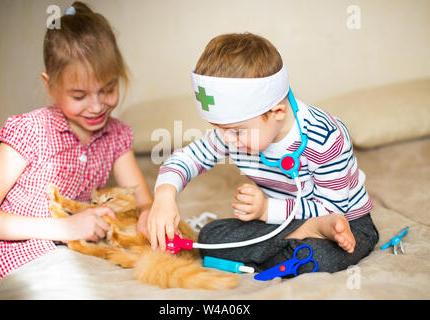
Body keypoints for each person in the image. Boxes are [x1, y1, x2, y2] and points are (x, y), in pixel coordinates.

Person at [146, 33, 378, 273]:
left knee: (320, 257)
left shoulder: (325, 136)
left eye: (236, 131)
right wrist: (165, 195)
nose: (226, 139)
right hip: (278, 223)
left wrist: (267, 210)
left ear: (277, 111)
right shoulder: (234, 132)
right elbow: (188, 158)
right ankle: (300, 238)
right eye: (219, 129)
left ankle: (299, 242)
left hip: (345, 223)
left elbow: (332, 209)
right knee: (209, 238)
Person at [0, 2, 152, 292]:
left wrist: (151, 216)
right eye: (79, 95)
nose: (97, 106)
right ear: (50, 86)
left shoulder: (117, 136)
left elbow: (143, 203)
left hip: (64, 254)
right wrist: (63, 228)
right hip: (5, 258)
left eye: (108, 89)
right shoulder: (30, 131)